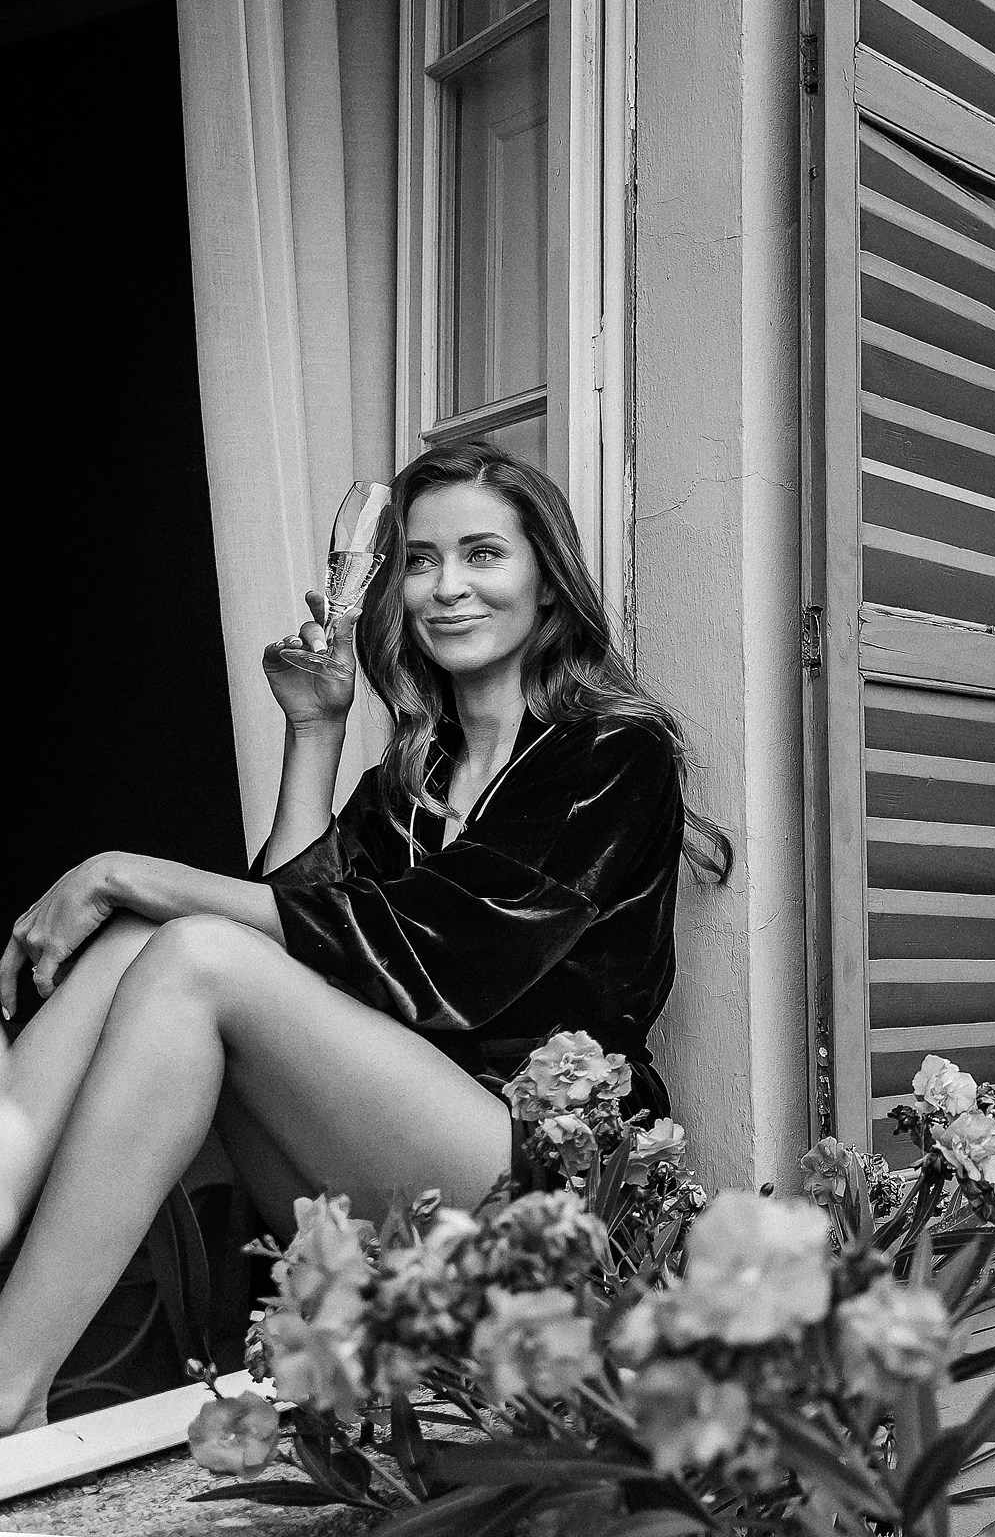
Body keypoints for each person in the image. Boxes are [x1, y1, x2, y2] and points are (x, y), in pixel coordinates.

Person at [0, 442, 729, 1436]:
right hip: (406, 1167)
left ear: (548, 587)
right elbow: (301, 923)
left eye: (483, 555)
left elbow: (435, 955)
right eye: (422, 561)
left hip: (550, 1193)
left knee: (187, 946)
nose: (446, 587)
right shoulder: (414, 778)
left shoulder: (612, 749)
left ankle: (6, 1384)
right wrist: (315, 731)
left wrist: (124, 868)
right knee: (154, 942)